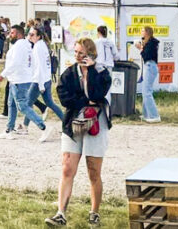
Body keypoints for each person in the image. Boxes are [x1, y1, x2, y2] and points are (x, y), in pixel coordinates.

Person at [46, 38, 111, 227]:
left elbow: (97, 94)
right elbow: (64, 97)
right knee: (67, 167)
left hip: (95, 123)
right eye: (75, 52)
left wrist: (90, 71)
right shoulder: (69, 73)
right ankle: (61, 213)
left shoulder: (101, 72)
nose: (77, 56)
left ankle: (94, 212)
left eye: (81, 53)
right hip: (73, 121)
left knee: (93, 170)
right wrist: (84, 102)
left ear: (90, 54)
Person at [0, 25, 54, 140]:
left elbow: (15, 63)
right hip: (18, 79)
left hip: (19, 80)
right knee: (11, 104)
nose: (10, 35)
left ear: (18, 34)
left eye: (12, 33)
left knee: (22, 106)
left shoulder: (20, 46)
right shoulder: (26, 45)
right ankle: (9, 129)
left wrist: (2, 74)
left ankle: (43, 127)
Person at [28, 26, 65, 127]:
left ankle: (25, 126)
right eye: (29, 34)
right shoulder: (42, 44)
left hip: (39, 80)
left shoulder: (38, 47)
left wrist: (40, 85)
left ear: (39, 36)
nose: (30, 36)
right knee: (50, 103)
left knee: (28, 104)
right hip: (45, 79)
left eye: (32, 35)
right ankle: (66, 121)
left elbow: (40, 66)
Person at [135, 26, 161, 123]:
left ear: (147, 32)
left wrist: (141, 48)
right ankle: (146, 114)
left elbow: (147, 56)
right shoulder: (150, 43)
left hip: (150, 66)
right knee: (144, 91)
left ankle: (154, 115)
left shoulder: (151, 43)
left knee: (147, 91)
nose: (141, 32)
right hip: (148, 66)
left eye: (142, 31)